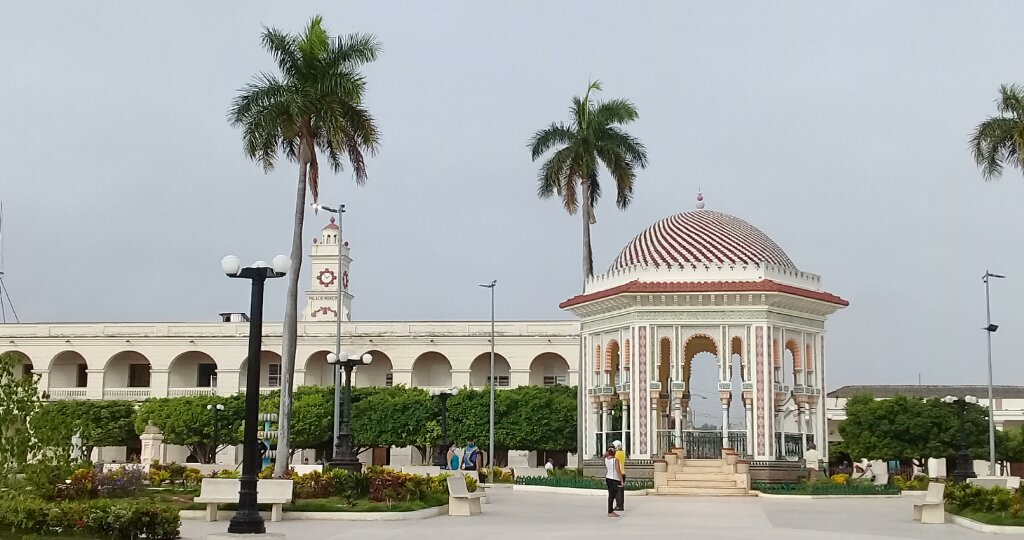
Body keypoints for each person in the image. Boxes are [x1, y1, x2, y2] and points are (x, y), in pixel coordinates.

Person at [604, 447, 623, 518]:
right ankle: (610, 512)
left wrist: (606, 454)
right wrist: (621, 480)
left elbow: (603, 456)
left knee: (611, 495)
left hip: (608, 478)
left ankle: (611, 510)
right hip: (614, 479)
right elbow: (618, 470)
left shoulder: (606, 459)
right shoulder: (615, 460)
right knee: (612, 496)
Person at [612, 440, 627, 511]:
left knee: (617, 491)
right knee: (621, 491)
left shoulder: (616, 454)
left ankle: (619, 505)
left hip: (618, 474)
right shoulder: (623, 453)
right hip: (623, 473)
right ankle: (621, 505)